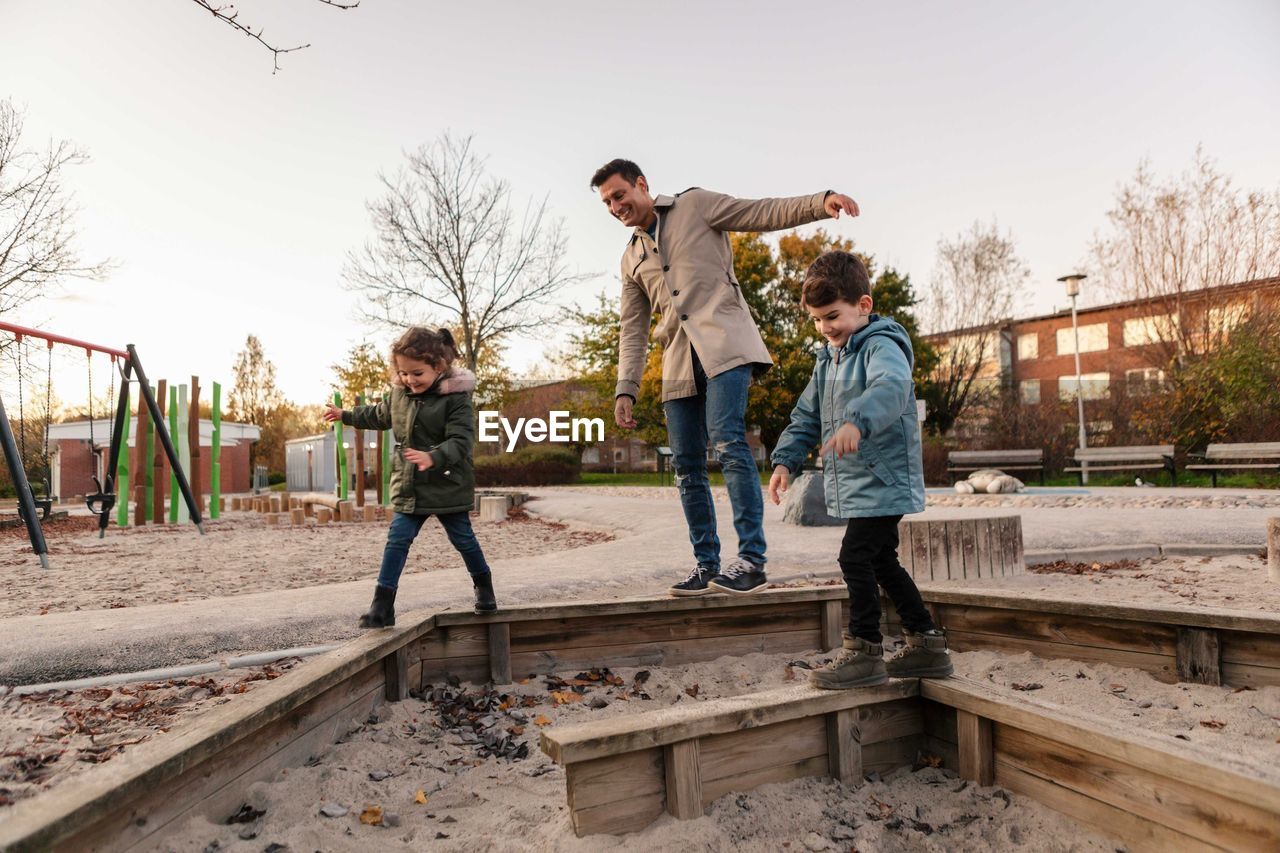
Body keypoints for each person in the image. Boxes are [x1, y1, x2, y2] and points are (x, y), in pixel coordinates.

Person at [591, 158, 860, 597]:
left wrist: (819, 202)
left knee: (729, 441)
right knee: (686, 467)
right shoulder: (630, 260)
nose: (615, 206)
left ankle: (751, 561)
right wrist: (627, 386)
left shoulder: (694, 206)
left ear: (641, 185)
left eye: (619, 195)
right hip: (679, 362)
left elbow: (760, 213)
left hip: (726, 345)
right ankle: (706, 565)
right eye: (606, 202)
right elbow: (632, 328)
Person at [768, 251, 952, 688]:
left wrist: (857, 421)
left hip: (884, 478)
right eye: (816, 320)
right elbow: (805, 416)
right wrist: (784, 460)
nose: (825, 328)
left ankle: (865, 651)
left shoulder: (882, 346)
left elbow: (891, 388)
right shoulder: (826, 360)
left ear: (863, 305)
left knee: (854, 556)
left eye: (832, 316)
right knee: (881, 560)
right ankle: (927, 645)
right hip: (860, 483)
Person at [323, 327, 496, 627]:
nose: (409, 380)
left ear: (438, 367)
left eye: (417, 374)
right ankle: (382, 606)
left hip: (446, 484)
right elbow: (378, 415)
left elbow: (461, 440)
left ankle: (484, 588)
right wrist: (345, 415)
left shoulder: (456, 398)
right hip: (410, 485)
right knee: (397, 540)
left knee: (464, 540)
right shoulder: (399, 395)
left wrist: (433, 456)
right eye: (403, 373)